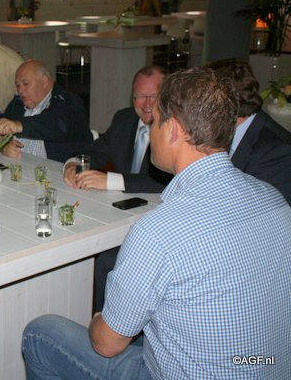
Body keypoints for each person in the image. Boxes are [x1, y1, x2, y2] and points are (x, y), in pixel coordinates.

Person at [22, 67, 291, 379]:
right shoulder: (273, 200)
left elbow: (107, 344)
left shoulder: (159, 231)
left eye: (156, 122)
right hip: (268, 367)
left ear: (173, 129)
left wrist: (98, 321)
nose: (150, 130)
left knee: (40, 333)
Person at [63, 65, 173, 313]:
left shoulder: (174, 127)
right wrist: (74, 164)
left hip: (157, 221)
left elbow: (166, 179)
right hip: (120, 213)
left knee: (105, 260)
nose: (146, 104)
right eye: (140, 96)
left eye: (153, 96)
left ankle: (106, 319)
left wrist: (110, 181)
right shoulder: (124, 119)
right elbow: (96, 150)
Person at [207, 58, 291, 204]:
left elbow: (262, 210)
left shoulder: (278, 151)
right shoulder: (226, 132)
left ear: (224, 103)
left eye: (204, 100)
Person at [0, 59, 92, 162]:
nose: (20, 90)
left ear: (44, 81)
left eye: (25, 84)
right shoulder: (17, 103)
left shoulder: (68, 101)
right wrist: (4, 146)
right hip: (19, 167)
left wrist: (20, 125)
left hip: (58, 168)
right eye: (17, 85)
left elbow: (56, 124)